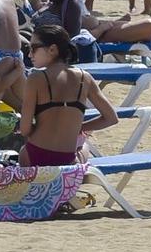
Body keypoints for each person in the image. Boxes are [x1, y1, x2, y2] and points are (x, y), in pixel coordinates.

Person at [19, 17, 117, 167]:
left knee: (23, 150)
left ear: (52, 49)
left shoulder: (35, 78)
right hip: (67, 161)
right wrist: (80, 128)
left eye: (33, 48)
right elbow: (111, 118)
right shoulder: (85, 77)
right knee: (85, 146)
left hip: (34, 156)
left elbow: (25, 129)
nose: (29, 55)